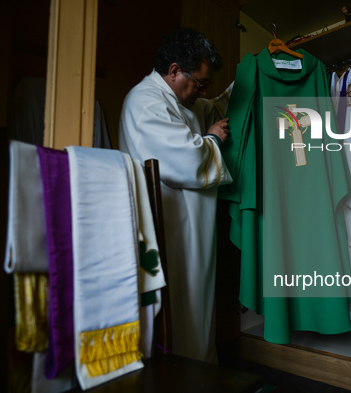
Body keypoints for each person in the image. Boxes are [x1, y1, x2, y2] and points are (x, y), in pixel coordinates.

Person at [118, 28, 233, 363]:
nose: (203, 90)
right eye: (199, 82)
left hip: (192, 227)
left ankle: (201, 370)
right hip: (169, 228)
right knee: (181, 306)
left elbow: (212, 107)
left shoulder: (183, 98)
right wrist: (212, 141)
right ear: (173, 71)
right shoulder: (145, 101)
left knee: (197, 307)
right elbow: (185, 160)